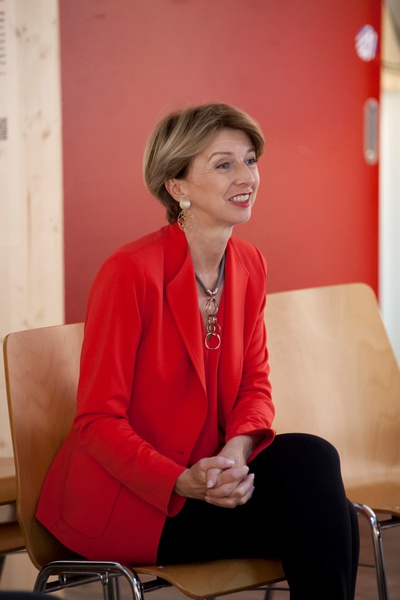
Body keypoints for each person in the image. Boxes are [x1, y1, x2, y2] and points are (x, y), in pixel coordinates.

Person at [36, 103, 359, 599]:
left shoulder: (249, 263)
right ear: (177, 186)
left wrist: (236, 452)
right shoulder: (129, 271)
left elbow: (255, 385)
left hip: (209, 476)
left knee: (313, 461)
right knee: (324, 521)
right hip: (136, 500)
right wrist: (182, 481)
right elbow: (97, 422)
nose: (246, 177)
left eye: (250, 160)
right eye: (223, 164)